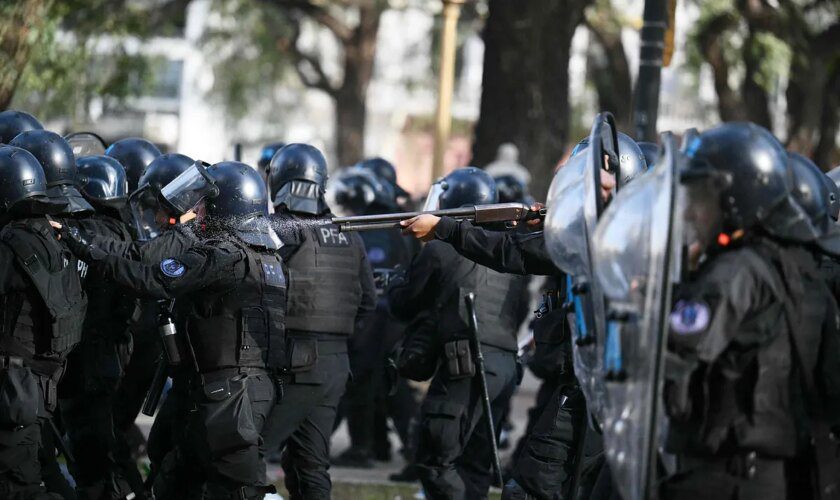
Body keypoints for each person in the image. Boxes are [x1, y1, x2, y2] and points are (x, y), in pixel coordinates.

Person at [399, 132, 648, 500]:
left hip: (589, 396)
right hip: (595, 392)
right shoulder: (625, 233)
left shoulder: (603, 235)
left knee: (529, 490)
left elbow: (509, 253)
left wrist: (444, 228)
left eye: (596, 181)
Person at [58, 160, 286, 500]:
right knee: (173, 478)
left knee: (242, 491)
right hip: (224, 391)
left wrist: (87, 249)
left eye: (204, 203)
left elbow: (151, 279)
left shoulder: (223, 255)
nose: (196, 211)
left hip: (231, 397)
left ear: (226, 207)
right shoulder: (265, 257)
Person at [660, 123, 840, 499]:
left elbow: (675, 343)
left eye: (702, 200)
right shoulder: (800, 271)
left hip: (726, 476)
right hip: (788, 476)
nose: (693, 213)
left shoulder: (736, 271)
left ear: (734, 198)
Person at [388, 167, 530, 500]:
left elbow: (404, 304)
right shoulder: (504, 249)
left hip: (464, 365)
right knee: (474, 464)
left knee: (435, 457)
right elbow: (520, 310)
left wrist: (397, 282)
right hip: (505, 365)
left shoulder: (441, 250)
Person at [263, 144, 376, 499]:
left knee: (242, 452)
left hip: (294, 360)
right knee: (310, 464)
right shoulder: (348, 232)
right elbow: (368, 301)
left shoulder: (280, 229)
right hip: (335, 364)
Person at [10, 129, 96, 499]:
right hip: (39, 386)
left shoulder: (13, 244)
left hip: (15, 388)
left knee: (19, 486)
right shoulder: (54, 237)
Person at [329, 167, 422, 469]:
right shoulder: (395, 222)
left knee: (364, 383)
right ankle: (387, 446)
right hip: (393, 317)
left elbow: (368, 279)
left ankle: (364, 449)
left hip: (375, 319)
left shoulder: (375, 227)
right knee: (389, 385)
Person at [56, 155, 137, 500]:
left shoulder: (86, 233)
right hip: (111, 357)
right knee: (105, 450)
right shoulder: (123, 231)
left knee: (93, 458)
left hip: (87, 360)